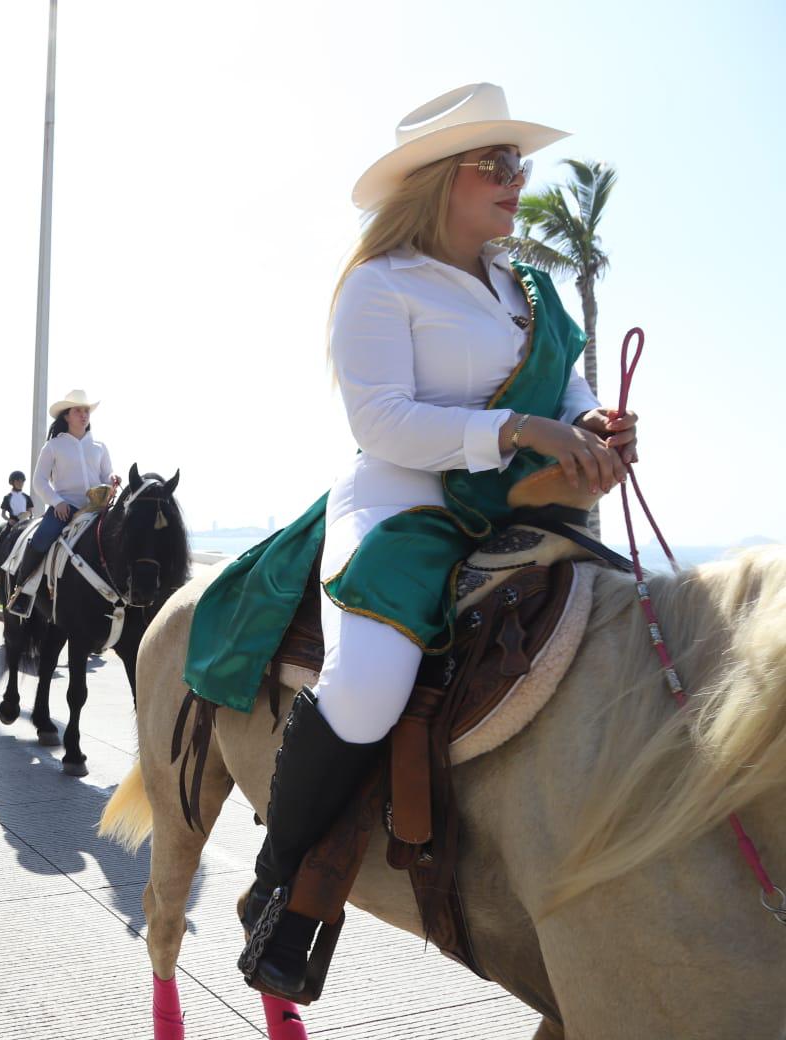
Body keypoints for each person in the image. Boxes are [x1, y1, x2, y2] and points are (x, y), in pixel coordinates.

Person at [181, 83, 638, 997]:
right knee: (367, 685)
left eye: (520, 163)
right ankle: (284, 886)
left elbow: (569, 385)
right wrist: (515, 430)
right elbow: (383, 421)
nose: (516, 179)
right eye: (495, 163)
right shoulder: (380, 285)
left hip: (520, 509)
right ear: (440, 180)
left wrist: (591, 420)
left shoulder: (530, 286)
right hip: (400, 506)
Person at [7, 389, 120, 617]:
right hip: (65, 509)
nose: (83, 415)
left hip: (98, 509)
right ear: (66, 416)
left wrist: (113, 479)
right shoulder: (53, 446)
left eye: (86, 410)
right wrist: (56, 502)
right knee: (40, 539)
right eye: (78, 410)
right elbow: (39, 481)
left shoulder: (100, 446)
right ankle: (22, 591)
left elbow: (107, 473)